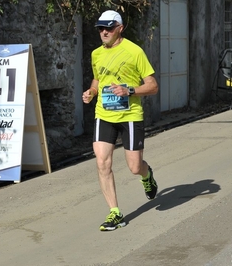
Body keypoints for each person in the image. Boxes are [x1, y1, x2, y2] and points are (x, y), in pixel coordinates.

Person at [82, 10, 159, 231]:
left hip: (130, 116)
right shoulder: (96, 54)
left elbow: (152, 86)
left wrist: (130, 90)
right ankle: (114, 212)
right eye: (100, 28)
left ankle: (147, 175)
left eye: (109, 28)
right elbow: (98, 79)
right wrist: (91, 92)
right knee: (102, 162)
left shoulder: (135, 52)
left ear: (120, 28)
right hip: (104, 115)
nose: (104, 32)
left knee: (134, 167)